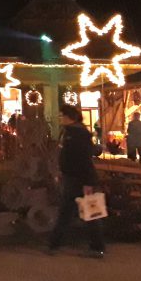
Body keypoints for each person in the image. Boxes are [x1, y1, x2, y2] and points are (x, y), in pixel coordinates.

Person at [47, 104, 105, 258]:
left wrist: (88, 182)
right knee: (71, 212)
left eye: (62, 115)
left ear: (69, 117)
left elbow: (83, 159)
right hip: (72, 178)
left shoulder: (78, 134)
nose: (60, 118)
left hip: (79, 179)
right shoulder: (70, 132)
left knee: (86, 212)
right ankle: (56, 244)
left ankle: (96, 247)